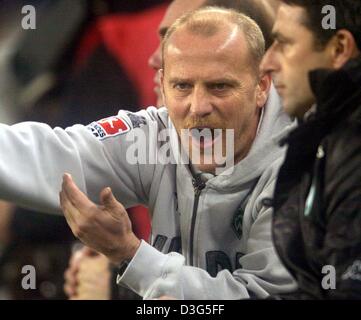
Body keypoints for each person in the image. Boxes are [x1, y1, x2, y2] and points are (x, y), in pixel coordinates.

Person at [0, 7, 296, 299]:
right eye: (182, 85)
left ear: (261, 86)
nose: (198, 105)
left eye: (219, 86)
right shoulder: (157, 136)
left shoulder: (299, 165)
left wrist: (129, 257)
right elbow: (50, 156)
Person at [260, 0, 361, 299]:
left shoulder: (353, 143)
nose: (268, 62)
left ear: (339, 48)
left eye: (284, 43)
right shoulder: (331, 132)